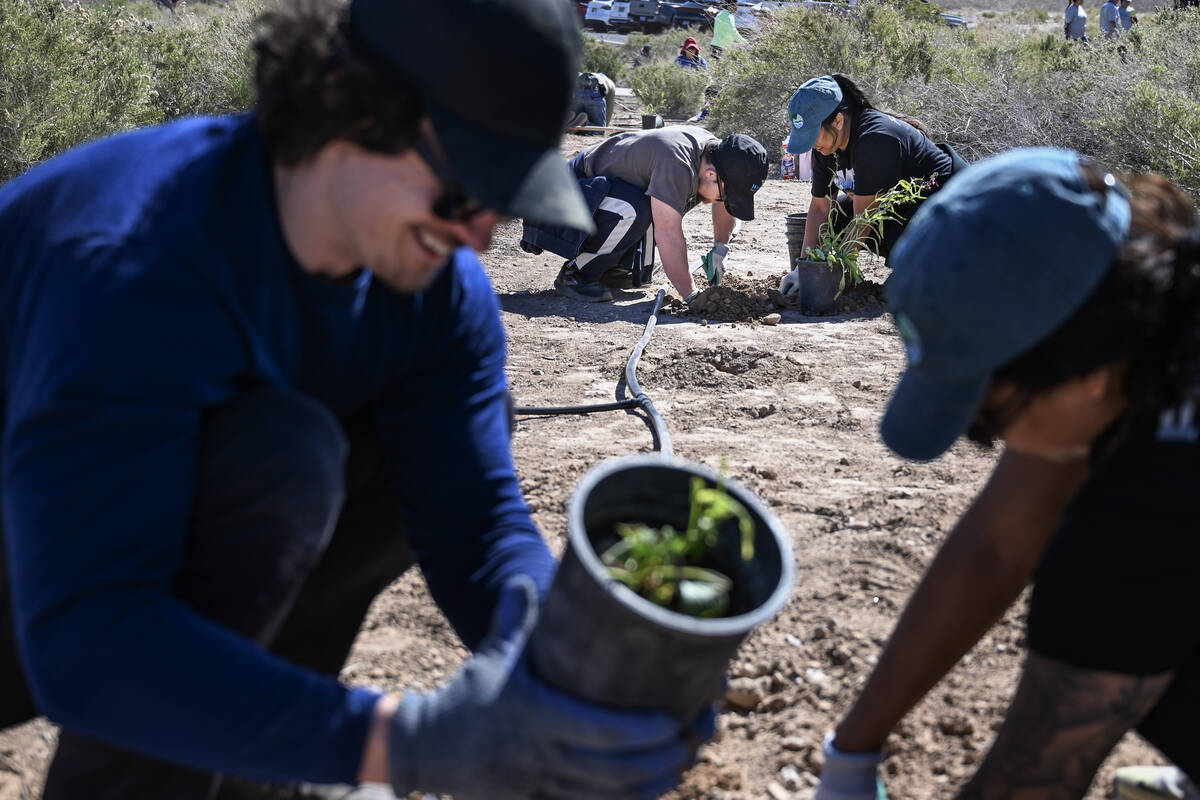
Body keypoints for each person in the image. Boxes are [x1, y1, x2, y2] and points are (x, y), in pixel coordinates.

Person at [0, 1, 712, 799]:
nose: (479, 234)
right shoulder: (135, 260)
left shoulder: (435, 288)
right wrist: (407, 745)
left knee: (399, 450)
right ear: (346, 105)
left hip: (105, 578)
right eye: (462, 186)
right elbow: (87, 642)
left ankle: (252, 768)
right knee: (281, 459)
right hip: (39, 593)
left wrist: (572, 661)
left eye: (502, 195)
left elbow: (475, 522)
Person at [811, 148, 1200, 799]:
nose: (985, 442)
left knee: (1138, 638)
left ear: (1088, 375)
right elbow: (999, 540)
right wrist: (852, 751)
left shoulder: (1152, 515)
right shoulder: (1141, 288)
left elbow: (1032, 781)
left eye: (985, 420)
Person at [521, 127, 768, 303]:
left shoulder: (715, 154)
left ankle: (610, 267)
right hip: (559, 194)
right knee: (637, 209)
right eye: (725, 195)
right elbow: (669, 232)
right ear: (712, 174)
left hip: (598, 194)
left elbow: (722, 201)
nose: (723, 201)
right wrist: (691, 295)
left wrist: (720, 246)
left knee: (651, 206)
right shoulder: (677, 163)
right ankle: (577, 274)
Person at [779, 74, 965, 295]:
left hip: (948, 212)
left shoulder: (875, 140)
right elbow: (821, 207)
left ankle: (931, 273)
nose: (812, 145)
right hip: (892, 210)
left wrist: (832, 277)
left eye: (813, 135)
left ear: (838, 121)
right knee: (834, 219)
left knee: (912, 239)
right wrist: (804, 268)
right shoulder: (825, 147)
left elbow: (864, 218)